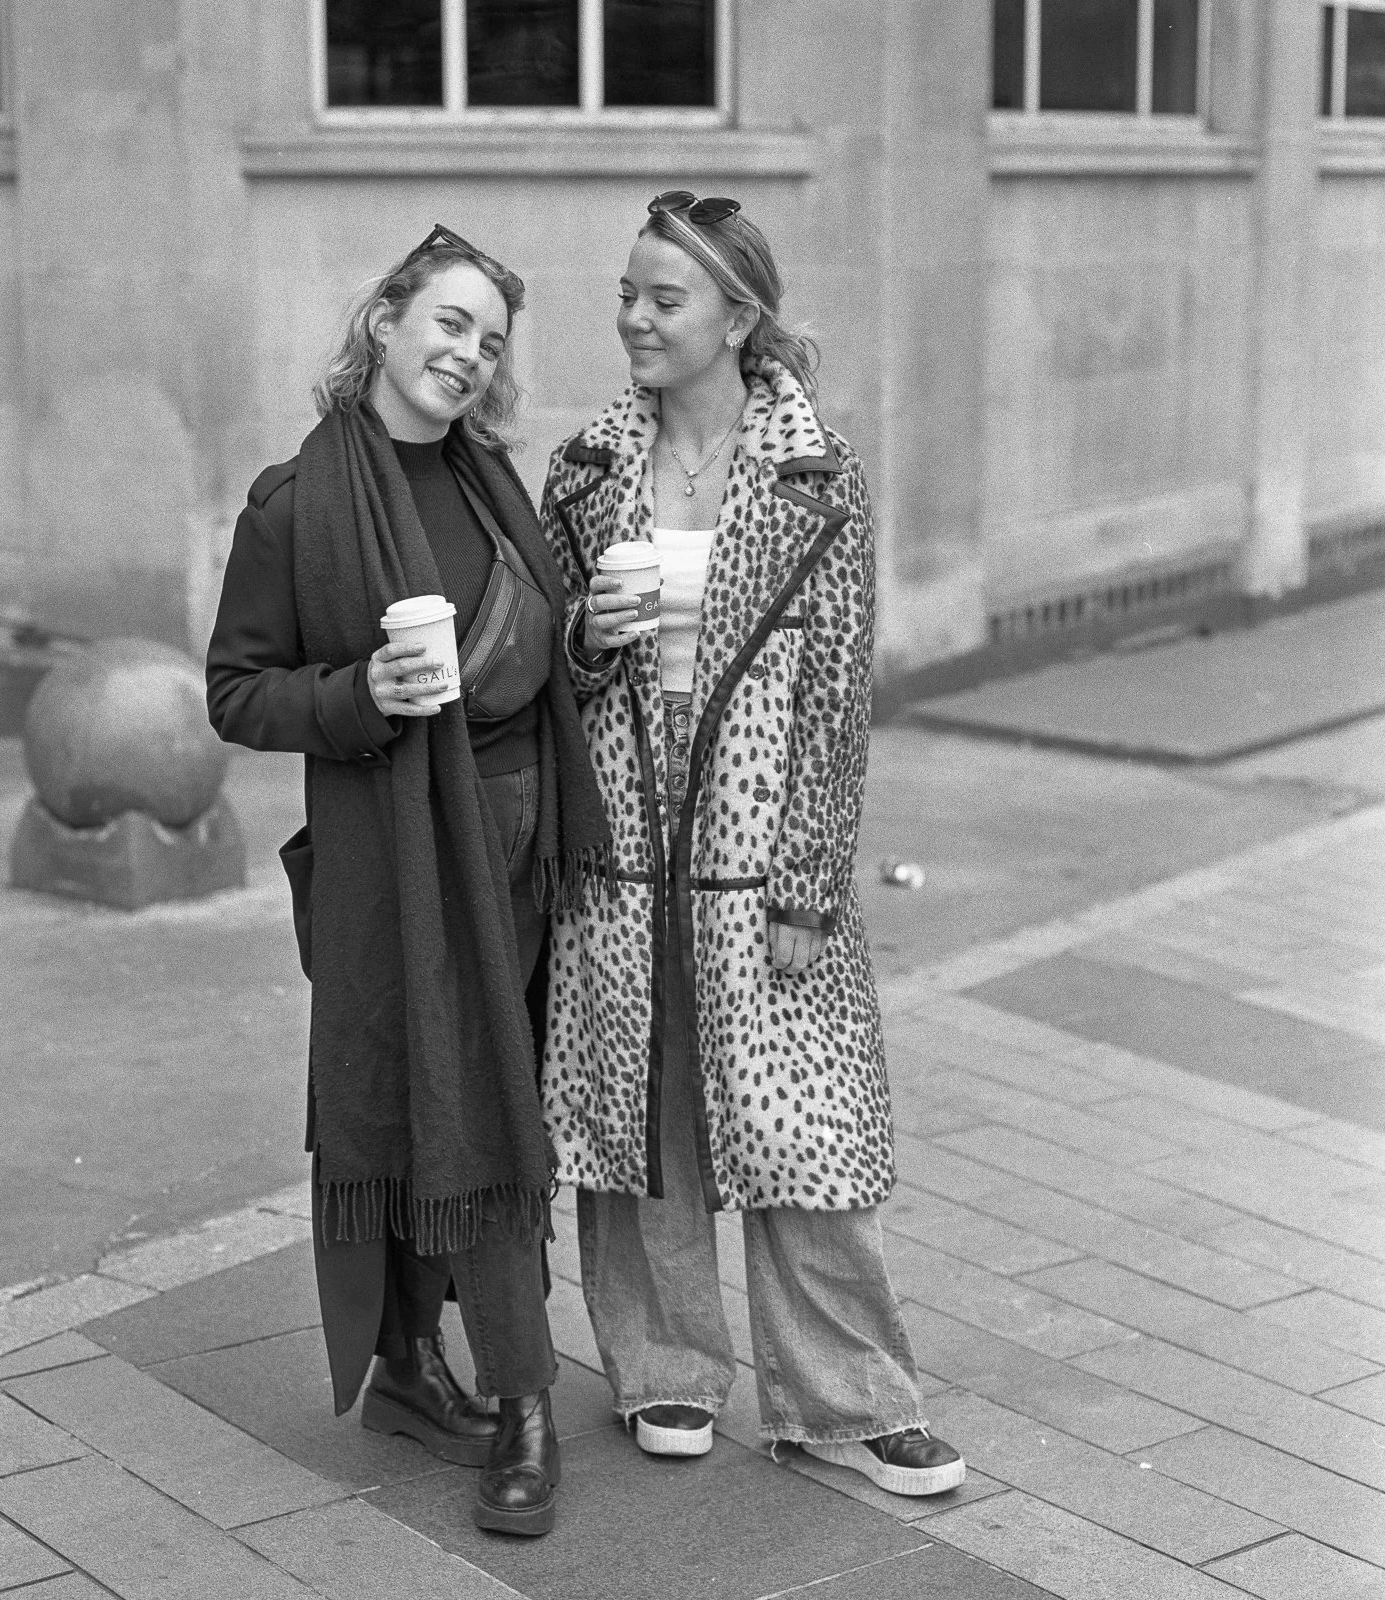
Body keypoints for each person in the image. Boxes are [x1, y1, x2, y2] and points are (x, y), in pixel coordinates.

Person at [537, 192, 966, 1497]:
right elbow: (542, 668)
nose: (634, 317)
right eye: (627, 293)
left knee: (805, 1132)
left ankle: (853, 1398)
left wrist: (808, 883)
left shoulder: (816, 479)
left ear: (737, 316)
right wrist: (584, 639)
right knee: (635, 1119)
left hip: (758, 855)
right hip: (616, 853)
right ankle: (664, 1368)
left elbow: (838, 697)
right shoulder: (584, 470)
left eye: (663, 298)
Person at [206, 225, 614, 1538]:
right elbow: (235, 692)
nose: (469, 354)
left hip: (518, 852)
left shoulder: (495, 483)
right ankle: (515, 1396)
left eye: (490, 339)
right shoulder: (294, 505)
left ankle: (418, 1368)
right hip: (394, 859)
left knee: (459, 1097)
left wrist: (582, 636)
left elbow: (527, 653)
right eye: (449, 322)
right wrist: (358, 694)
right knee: (451, 1108)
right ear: (384, 322)